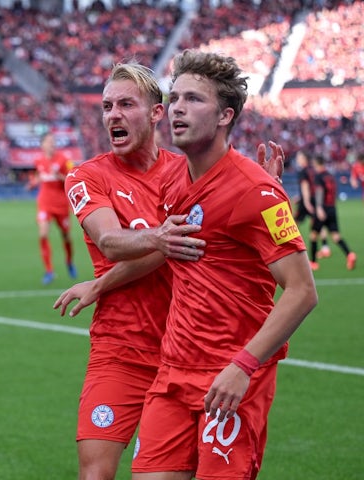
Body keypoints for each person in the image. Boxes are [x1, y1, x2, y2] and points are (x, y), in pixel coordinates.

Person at [54, 60, 283, 480]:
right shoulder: (87, 176)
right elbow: (110, 241)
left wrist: (255, 194)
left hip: (187, 351)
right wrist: (155, 241)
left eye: (126, 104)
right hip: (121, 348)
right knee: (96, 473)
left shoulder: (188, 172)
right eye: (107, 107)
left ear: (157, 113)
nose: (113, 116)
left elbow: (216, 243)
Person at [126, 49, 318, 480]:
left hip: (231, 378)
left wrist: (243, 366)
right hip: (173, 373)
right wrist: (99, 286)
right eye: (174, 98)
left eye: (193, 99)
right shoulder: (173, 180)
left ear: (225, 116)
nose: (177, 108)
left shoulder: (256, 191)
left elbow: (303, 291)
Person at [28, 131, 77, 285]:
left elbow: (73, 179)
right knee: (43, 234)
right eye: (48, 142)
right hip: (45, 202)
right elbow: (37, 175)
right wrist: (33, 183)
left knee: (65, 236)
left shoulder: (65, 160)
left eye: (53, 141)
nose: (51, 144)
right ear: (42, 145)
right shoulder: (38, 160)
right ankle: (49, 271)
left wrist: (60, 176)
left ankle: (69, 261)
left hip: (61, 204)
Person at [309, 153, 357, 270]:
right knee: (335, 236)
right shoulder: (330, 176)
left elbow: (320, 192)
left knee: (313, 235)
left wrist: (319, 207)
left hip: (323, 208)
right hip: (332, 208)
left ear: (316, 163)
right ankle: (349, 254)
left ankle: (313, 263)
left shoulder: (319, 177)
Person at [294, 150, 330, 259]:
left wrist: (305, 201)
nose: (297, 159)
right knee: (318, 224)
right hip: (315, 199)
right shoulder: (313, 170)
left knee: (293, 223)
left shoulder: (303, 171)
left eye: (299, 157)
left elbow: (305, 187)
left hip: (307, 201)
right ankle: (325, 248)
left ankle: (295, 246)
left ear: (304, 159)